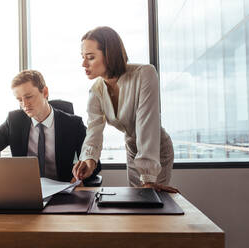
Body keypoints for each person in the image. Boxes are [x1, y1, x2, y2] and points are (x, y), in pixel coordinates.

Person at [72, 26, 178, 193]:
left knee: (152, 205)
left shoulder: (144, 74)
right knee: (138, 205)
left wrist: (148, 177)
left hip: (156, 150)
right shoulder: (96, 91)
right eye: (83, 57)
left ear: (109, 55)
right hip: (132, 149)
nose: (83, 64)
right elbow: (94, 131)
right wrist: (89, 161)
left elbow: (147, 124)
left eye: (90, 57)